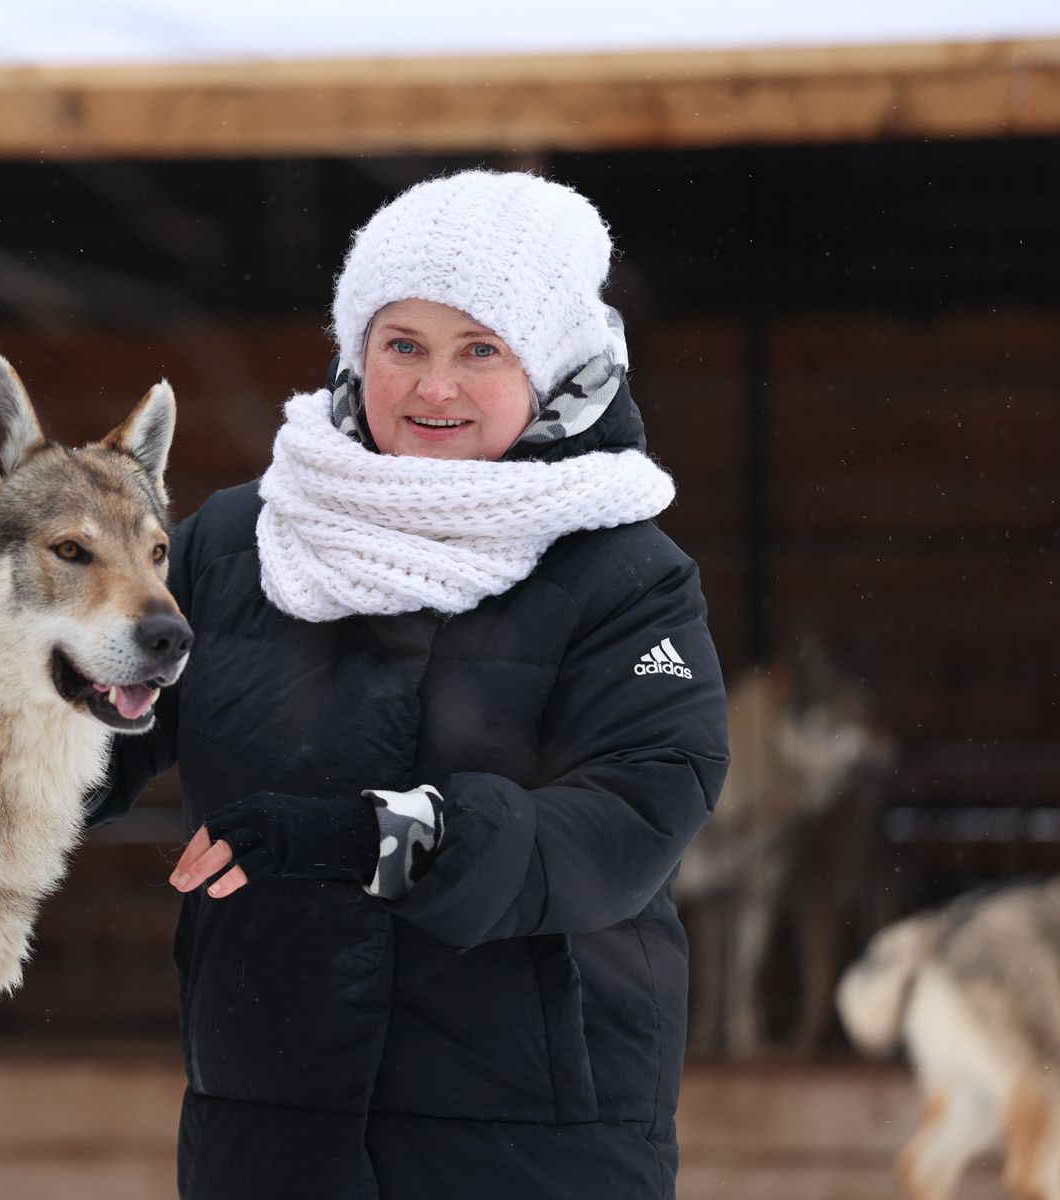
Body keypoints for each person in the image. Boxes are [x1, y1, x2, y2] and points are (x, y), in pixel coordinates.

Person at [89, 170, 730, 1199]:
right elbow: (80, 751)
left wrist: (391, 839)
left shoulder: (625, 574)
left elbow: (636, 810)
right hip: (269, 1133)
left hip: (532, 1143)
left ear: (556, 365)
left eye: (480, 349)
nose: (435, 388)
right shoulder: (233, 546)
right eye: (403, 347)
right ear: (356, 353)